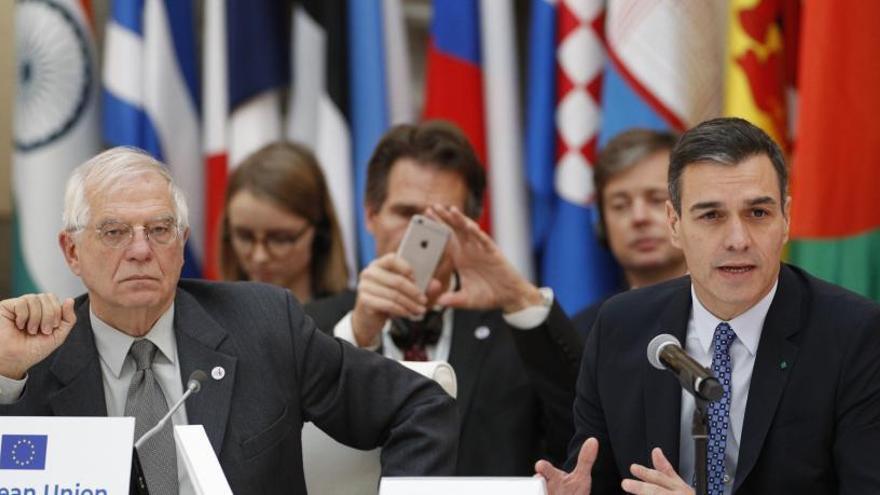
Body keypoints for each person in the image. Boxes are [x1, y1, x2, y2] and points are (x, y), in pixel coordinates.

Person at [0, 147, 458, 494]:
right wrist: (6, 378)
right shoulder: (36, 354)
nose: (141, 250)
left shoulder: (264, 325)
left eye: (159, 230)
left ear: (182, 243)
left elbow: (419, 404)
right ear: (72, 251)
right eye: (114, 232)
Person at [536, 117, 880, 494]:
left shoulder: (855, 336)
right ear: (674, 223)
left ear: (786, 220)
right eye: (711, 215)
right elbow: (597, 479)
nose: (737, 239)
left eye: (758, 213)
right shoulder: (621, 327)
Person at [305, 121, 583, 475]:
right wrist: (358, 333)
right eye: (406, 213)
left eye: (443, 217)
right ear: (370, 215)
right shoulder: (310, 326)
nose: (422, 232)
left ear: (472, 224)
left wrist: (519, 299)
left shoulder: (515, 333)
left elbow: (583, 434)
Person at [572, 129, 686, 336]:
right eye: (620, 205)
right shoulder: (585, 334)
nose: (638, 217)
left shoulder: (734, 315)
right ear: (603, 223)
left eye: (656, 199)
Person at [219, 141, 348, 302]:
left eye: (279, 239)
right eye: (245, 237)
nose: (260, 257)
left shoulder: (354, 323)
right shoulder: (204, 318)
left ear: (321, 232)